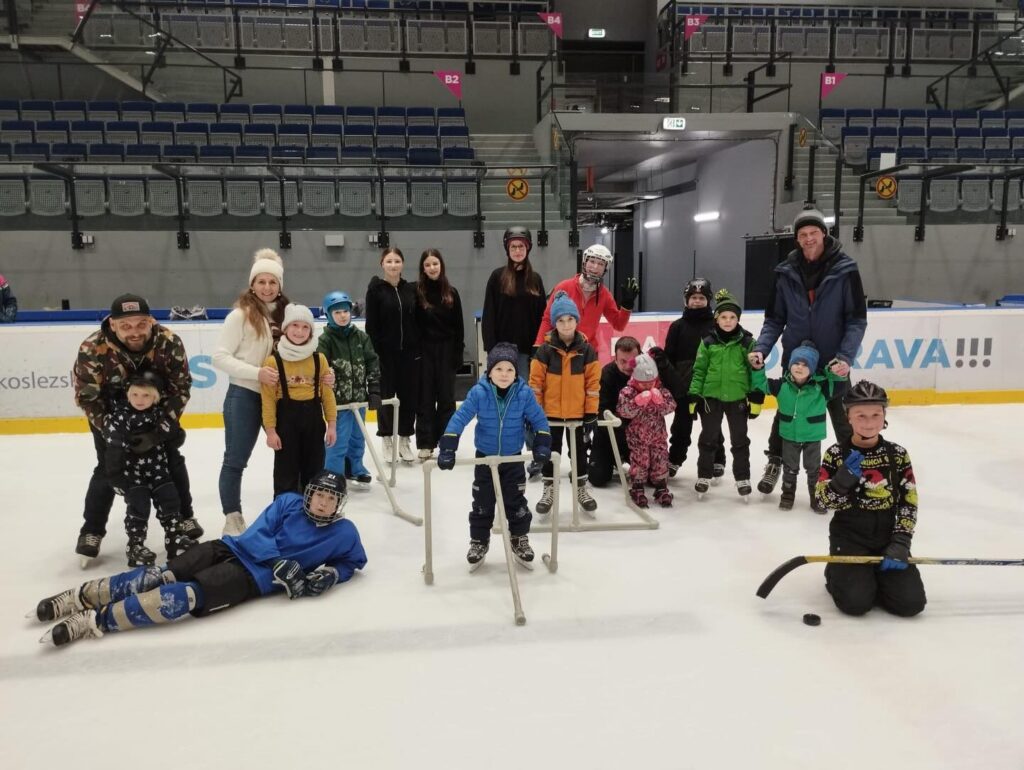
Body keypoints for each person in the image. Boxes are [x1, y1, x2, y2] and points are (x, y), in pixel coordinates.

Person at [35, 470, 367, 647]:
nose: (323, 503)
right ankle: (79, 597)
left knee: (184, 595)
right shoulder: (289, 503)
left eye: (331, 498)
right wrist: (277, 562)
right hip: (230, 548)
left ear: (339, 503)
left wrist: (332, 575)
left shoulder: (344, 532)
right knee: (160, 575)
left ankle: (94, 621)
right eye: (319, 494)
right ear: (309, 493)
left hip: (252, 579)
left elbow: (353, 562)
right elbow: (257, 533)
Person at [72, 293, 199, 565]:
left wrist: (160, 429)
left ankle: (184, 518)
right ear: (113, 324)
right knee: (107, 468)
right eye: (126, 326)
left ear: (151, 321)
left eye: (141, 324)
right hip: (110, 418)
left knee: (172, 461)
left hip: (156, 414)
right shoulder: (92, 348)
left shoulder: (169, 342)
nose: (134, 332)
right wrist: (113, 430)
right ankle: (91, 530)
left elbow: (181, 388)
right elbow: (87, 397)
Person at [749, 207, 867, 497]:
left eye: (814, 232)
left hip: (833, 363)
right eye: (803, 234)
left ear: (824, 234)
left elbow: (856, 320)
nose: (808, 238)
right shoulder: (785, 272)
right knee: (786, 415)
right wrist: (762, 348)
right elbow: (774, 319)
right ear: (797, 239)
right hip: (797, 361)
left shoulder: (846, 269)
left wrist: (845, 357)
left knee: (843, 421)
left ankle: (852, 472)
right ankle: (775, 462)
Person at [814, 381, 925, 618]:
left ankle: (874, 577)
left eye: (876, 414)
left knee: (910, 604)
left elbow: (909, 501)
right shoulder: (835, 454)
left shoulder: (898, 454)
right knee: (856, 604)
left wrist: (901, 541)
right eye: (860, 415)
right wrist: (840, 483)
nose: (869, 422)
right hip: (849, 536)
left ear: (884, 416)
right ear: (848, 417)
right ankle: (836, 571)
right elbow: (822, 502)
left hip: (888, 537)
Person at [437, 343, 552, 569]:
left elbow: (539, 420)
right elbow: (459, 418)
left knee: (516, 502)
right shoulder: (479, 393)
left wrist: (542, 445)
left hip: (512, 459)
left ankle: (519, 538)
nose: (504, 374)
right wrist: (448, 446)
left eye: (509, 369)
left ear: (516, 373)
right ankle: (479, 541)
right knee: (482, 502)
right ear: (489, 371)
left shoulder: (524, 394)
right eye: (499, 369)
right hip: (485, 459)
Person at [212, 248, 290, 537]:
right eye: (261, 282)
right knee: (235, 460)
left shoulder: (288, 313)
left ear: (280, 285)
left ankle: (288, 510)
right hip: (245, 394)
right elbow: (219, 357)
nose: (267, 287)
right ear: (252, 284)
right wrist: (256, 373)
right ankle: (232, 516)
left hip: (280, 397)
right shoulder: (240, 316)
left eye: (272, 282)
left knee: (288, 457)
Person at [105, 370, 197, 566]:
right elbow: (114, 449)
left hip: (159, 469)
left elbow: (175, 438)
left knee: (170, 500)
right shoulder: (121, 418)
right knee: (139, 506)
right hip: (133, 474)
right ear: (128, 395)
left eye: (146, 395)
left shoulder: (159, 415)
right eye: (135, 394)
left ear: (155, 398)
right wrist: (115, 476)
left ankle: (174, 537)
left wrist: (173, 433)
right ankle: (135, 545)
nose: (139, 400)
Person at [481, 226, 548, 477]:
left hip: (527, 354)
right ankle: (502, 451)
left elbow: (543, 318)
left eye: (521, 246)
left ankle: (535, 452)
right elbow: (489, 315)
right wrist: (492, 351)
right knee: (502, 406)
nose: (517, 251)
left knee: (527, 404)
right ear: (507, 249)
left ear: (527, 249)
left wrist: (539, 349)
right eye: (513, 247)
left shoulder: (535, 280)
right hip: (502, 354)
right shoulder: (497, 277)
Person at [530, 292, 601, 515]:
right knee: (550, 452)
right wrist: (536, 413)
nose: (566, 324)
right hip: (549, 415)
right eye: (561, 320)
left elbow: (592, 384)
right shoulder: (545, 350)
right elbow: (536, 385)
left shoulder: (587, 350)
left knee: (578, 453)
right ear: (554, 323)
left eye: (570, 319)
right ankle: (549, 489)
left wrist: (590, 412)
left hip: (577, 416)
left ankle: (581, 488)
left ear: (576, 320)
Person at [756, 340, 846, 512]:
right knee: (790, 468)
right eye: (796, 363)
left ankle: (816, 496)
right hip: (789, 435)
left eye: (805, 365)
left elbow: (839, 385)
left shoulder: (821, 387)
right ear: (790, 365)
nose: (799, 367)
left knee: (814, 469)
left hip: (812, 437)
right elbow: (761, 384)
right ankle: (787, 494)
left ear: (812, 369)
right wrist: (758, 369)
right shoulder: (781, 385)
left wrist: (833, 372)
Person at [261, 304, 337, 498]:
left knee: (314, 470)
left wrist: (332, 425)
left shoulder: (319, 359)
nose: (299, 331)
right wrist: (271, 431)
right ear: (285, 328)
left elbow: (327, 395)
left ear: (311, 331)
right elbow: (268, 399)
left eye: (305, 327)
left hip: (313, 422)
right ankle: (285, 509)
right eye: (295, 325)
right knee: (286, 471)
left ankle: (312, 509)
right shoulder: (273, 362)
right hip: (286, 424)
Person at [688, 290, 759, 498]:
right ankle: (704, 475)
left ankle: (742, 477)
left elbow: (755, 371)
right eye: (724, 317)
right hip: (711, 399)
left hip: (737, 399)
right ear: (716, 319)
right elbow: (699, 370)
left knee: (740, 440)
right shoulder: (708, 342)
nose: (728, 321)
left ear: (738, 319)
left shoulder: (747, 343)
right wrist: (694, 395)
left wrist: (756, 396)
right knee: (708, 438)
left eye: (732, 317)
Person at [587, 337, 683, 488]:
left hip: (644, 439)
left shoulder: (651, 371)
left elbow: (678, 394)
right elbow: (601, 412)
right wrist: (625, 423)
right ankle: (614, 459)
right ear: (615, 359)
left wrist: (666, 367)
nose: (627, 366)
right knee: (598, 477)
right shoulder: (607, 374)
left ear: (640, 357)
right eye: (622, 361)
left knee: (654, 480)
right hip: (612, 435)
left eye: (632, 362)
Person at [664, 278, 726, 479]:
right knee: (681, 426)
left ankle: (718, 458)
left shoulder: (716, 325)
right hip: (684, 387)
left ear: (708, 300)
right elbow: (669, 358)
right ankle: (675, 458)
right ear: (686, 300)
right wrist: (673, 383)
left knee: (712, 426)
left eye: (701, 298)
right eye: (693, 298)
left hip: (710, 387)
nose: (697, 301)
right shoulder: (677, 327)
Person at [318, 290, 381, 487]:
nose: (343, 316)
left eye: (345, 311)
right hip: (338, 403)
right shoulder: (326, 340)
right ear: (329, 315)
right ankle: (333, 475)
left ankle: (356, 467)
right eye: (337, 312)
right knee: (338, 440)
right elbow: (321, 368)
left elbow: (372, 362)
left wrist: (374, 389)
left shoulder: (361, 337)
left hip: (359, 398)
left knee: (357, 437)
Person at [533, 243, 638, 360]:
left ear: (605, 268)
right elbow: (548, 319)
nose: (595, 267)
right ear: (585, 262)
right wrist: (538, 345)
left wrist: (627, 306)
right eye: (592, 261)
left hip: (588, 353)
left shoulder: (605, 295)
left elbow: (619, 325)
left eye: (601, 264)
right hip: (560, 350)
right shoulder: (564, 287)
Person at [365, 246, 420, 463]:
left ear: (403, 264)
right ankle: (387, 439)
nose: (393, 265)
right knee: (386, 398)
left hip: (409, 355)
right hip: (385, 355)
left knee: (408, 398)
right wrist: (375, 355)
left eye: (397, 261)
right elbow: (371, 326)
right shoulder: (375, 290)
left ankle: (405, 439)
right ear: (382, 264)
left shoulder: (411, 289)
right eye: (389, 261)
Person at [415, 248, 464, 462]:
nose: (432, 268)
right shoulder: (417, 293)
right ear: (423, 269)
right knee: (425, 398)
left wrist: (457, 354)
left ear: (441, 265)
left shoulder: (451, 293)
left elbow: (459, 327)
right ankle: (425, 443)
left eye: (435, 263)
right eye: (427, 265)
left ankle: (447, 443)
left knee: (446, 399)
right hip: (425, 351)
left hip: (447, 350)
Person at [615, 353, 677, 508]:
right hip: (637, 437)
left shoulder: (660, 390)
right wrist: (636, 402)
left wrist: (660, 402)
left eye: (651, 383)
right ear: (635, 380)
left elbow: (671, 407)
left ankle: (661, 487)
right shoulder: (628, 392)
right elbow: (623, 411)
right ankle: (637, 487)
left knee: (660, 460)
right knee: (640, 461)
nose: (648, 386)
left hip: (658, 436)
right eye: (643, 384)